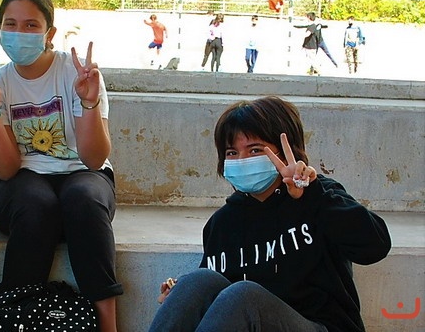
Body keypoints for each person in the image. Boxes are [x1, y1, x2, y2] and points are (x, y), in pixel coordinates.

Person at [148, 96, 391, 332]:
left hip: (320, 325)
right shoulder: (222, 224)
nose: (242, 160)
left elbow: (375, 246)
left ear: (285, 153)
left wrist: (311, 195)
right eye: (232, 153)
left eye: (254, 150)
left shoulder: (319, 195)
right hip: (248, 319)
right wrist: (180, 295)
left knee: (244, 296)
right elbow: (219, 305)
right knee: (196, 281)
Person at [0, 0, 122, 332]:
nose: (19, 33)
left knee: (84, 199)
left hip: (81, 173)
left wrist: (89, 102)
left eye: (31, 25)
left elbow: (93, 159)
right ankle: (13, 320)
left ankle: (108, 325)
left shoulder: (78, 74)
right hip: (20, 182)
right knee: (36, 204)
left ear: (49, 33)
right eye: (10, 24)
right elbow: (6, 168)